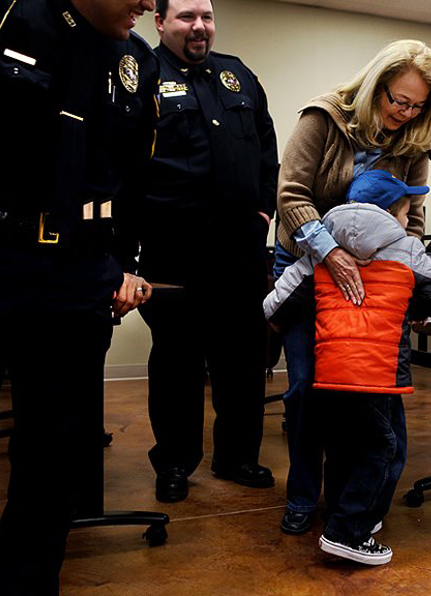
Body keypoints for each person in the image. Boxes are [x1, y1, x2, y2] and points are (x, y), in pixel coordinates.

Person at [0, 0, 158, 593]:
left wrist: (126, 263)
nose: (150, 2)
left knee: (58, 442)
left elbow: (137, 179)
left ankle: (28, 577)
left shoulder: (138, 63)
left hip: (77, 271)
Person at [274, 39, 431, 535]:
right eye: (399, 100)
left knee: (363, 390)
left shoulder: (413, 139)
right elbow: (291, 194)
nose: (406, 113)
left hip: (375, 274)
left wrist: (405, 278)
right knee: (309, 387)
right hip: (309, 263)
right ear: (377, 86)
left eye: (418, 107)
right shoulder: (323, 118)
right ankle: (304, 494)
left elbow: (412, 222)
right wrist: (331, 250)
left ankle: (348, 502)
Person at [119, 0, 279, 503]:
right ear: (160, 21)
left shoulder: (238, 76)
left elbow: (268, 151)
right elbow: (124, 167)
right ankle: (174, 463)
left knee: (243, 361)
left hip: (241, 250)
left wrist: (263, 211)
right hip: (174, 250)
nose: (199, 26)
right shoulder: (142, 75)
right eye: (187, 16)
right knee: (177, 364)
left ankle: (238, 457)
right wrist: (123, 252)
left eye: (206, 16)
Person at [264, 171, 431, 565]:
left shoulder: (320, 253)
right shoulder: (406, 249)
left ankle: (342, 512)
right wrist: (411, 310)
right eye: (405, 212)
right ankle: (349, 529)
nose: (407, 221)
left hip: (330, 372)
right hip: (379, 373)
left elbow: (275, 307)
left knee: (341, 440)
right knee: (386, 447)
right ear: (388, 213)